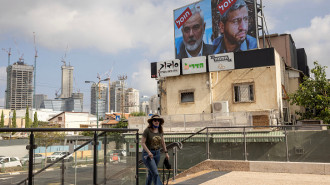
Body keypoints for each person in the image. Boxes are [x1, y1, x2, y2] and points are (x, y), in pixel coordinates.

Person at [141, 114, 169, 185]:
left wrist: (166, 153)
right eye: (155, 120)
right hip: (148, 155)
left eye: (158, 120)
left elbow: (162, 142)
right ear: (152, 122)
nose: (157, 122)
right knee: (155, 173)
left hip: (157, 154)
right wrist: (149, 152)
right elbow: (142, 143)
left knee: (151, 172)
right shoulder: (147, 131)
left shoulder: (160, 130)